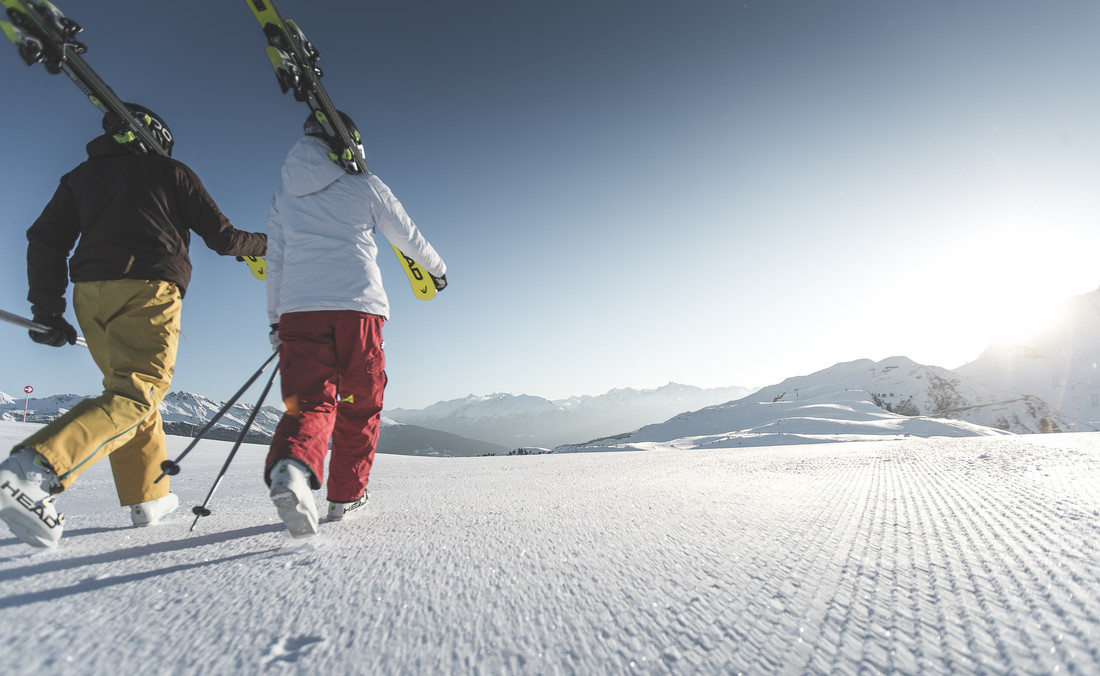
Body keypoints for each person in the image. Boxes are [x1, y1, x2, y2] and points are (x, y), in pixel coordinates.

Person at [0, 104, 267, 548]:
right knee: (136, 393)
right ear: (157, 137)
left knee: (130, 395)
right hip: (147, 287)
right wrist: (268, 243)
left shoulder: (79, 177)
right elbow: (223, 238)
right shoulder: (170, 171)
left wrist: (48, 309)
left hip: (90, 294)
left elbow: (45, 237)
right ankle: (33, 469)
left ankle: (149, 498)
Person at [265, 111, 446, 537]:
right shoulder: (365, 184)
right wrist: (437, 270)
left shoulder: (282, 197)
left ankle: (292, 467)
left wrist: (276, 321)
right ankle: (346, 497)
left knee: (307, 402)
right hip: (357, 309)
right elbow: (408, 235)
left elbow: (275, 262)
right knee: (360, 403)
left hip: (299, 310)